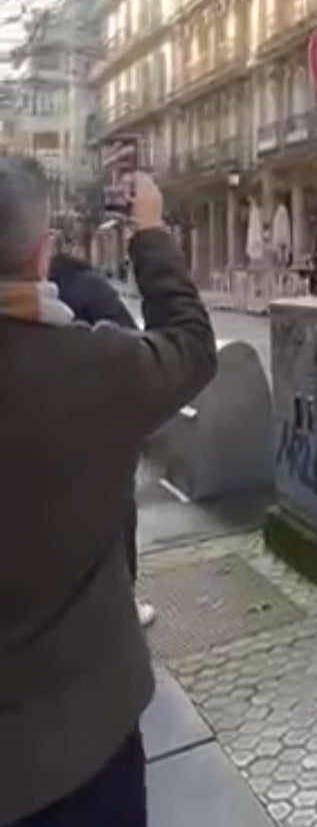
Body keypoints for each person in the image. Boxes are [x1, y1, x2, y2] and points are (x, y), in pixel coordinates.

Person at [0, 160, 217, 827]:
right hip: (84, 739)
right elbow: (189, 347)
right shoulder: (85, 369)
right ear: (43, 249)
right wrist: (150, 231)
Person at [48, 238, 156, 629]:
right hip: (99, 427)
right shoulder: (88, 286)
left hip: (43, 436)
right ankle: (121, 600)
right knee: (116, 508)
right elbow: (142, 346)